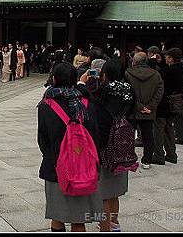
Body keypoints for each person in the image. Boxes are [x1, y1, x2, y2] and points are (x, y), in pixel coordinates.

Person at [37, 63, 102, 232]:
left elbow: (42, 139)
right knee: (78, 220)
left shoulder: (46, 105)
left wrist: (54, 155)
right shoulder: (87, 103)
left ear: (55, 79)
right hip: (83, 168)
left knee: (57, 216)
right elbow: (95, 135)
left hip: (56, 166)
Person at [79, 59, 135, 232]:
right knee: (115, 189)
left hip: (105, 144)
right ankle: (114, 223)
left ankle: (105, 228)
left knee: (103, 193)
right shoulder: (128, 88)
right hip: (123, 142)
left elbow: (92, 107)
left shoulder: (104, 89)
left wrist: (82, 82)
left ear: (105, 72)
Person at [124, 52, 164, 169]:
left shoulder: (128, 73)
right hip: (148, 111)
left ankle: (129, 158)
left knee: (129, 135)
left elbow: (127, 92)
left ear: (134, 61)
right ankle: (147, 160)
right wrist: (150, 106)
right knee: (148, 135)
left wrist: (139, 106)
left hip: (132, 109)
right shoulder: (156, 74)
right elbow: (159, 91)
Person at [152, 48, 183, 163]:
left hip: (164, 103)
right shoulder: (181, 68)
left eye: (167, 57)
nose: (165, 58)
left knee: (158, 130)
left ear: (171, 58)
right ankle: (171, 154)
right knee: (169, 128)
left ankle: (159, 155)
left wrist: (155, 62)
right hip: (174, 103)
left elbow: (160, 75)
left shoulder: (170, 71)